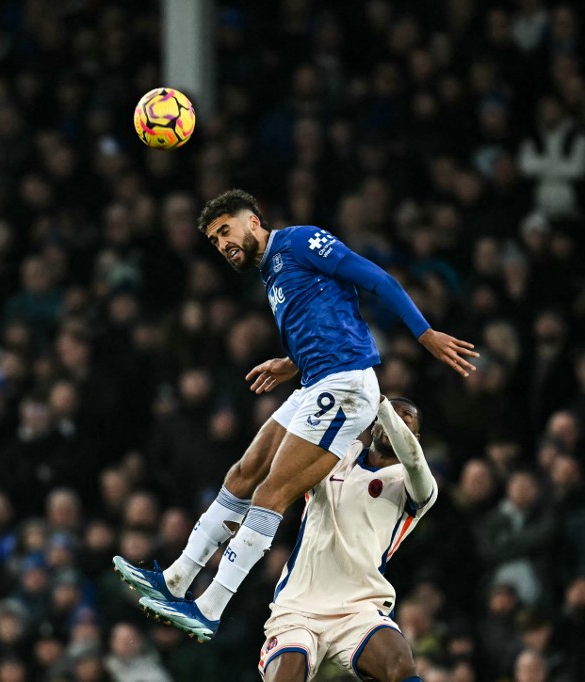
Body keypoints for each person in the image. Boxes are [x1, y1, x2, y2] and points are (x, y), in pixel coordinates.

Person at [112, 190, 476, 642]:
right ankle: (177, 578)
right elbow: (325, 320)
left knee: (272, 492)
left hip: (346, 386)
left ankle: (211, 606)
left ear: (253, 220)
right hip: (314, 382)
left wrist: (424, 334)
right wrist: (290, 362)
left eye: (226, 230)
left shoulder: (301, 242)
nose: (222, 243)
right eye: (213, 240)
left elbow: (377, 279)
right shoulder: (269, 274)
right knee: (243, 474)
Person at [249, 396, 435, 681]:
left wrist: (382, 406)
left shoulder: (416, 485)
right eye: (387, 418)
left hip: (359, 606)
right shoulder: (339, 456)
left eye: (404, 421)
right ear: (372, 426)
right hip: (299, 605)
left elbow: (413, 460)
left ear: (416, 437)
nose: (393, 422)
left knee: (401, 667)